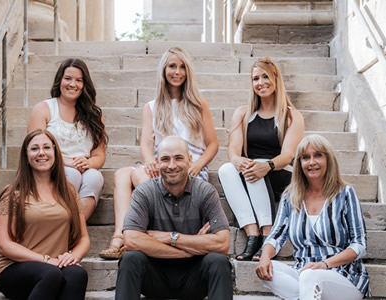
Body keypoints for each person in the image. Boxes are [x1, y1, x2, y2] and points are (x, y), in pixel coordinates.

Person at [99, 46, 218, 259]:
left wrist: (198, 164)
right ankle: (119, 235)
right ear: (164, 70)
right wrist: (149, 161)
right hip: (161, 168)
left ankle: (143, 233)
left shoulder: (198, 104)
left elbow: (212, 144)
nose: (177, 72)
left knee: (134, 175)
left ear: (188, 71)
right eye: (172, 66)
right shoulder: (152, 107)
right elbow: (146, 143)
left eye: (182, 67)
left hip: (189, 170)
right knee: (121, 174)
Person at [115, 135, 232, 300]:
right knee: (130, 258)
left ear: (189, 160)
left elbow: (222, 243)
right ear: (157, 162)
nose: (171, 165)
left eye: (178, 158)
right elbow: (132, 240)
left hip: (195, 279)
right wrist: (189, 251)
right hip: (155, 278)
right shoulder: (145, 192)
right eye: (165, 159)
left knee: (218, 261)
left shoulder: (205, 192)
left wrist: (171, 238)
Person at [256, 134, 371, 300]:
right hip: (303, 272)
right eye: (305, 157)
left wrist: (324, 264)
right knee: (269, 269)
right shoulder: (290, 197)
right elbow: (276, 236)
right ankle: (309, 294)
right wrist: (265, 258)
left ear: (328, 160)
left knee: (311, 276)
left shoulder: (345, 194)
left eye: (318, 155)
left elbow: (359, 245)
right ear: (299, 164)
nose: (312, 162)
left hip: (344, 276)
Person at [218, 57, 304, 261]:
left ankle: (268, 234)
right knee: (226, 169)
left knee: (255, 167)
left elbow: (288, 155)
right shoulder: (242, 113)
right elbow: (233, 148)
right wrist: (236, 159)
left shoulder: (291, 116)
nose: (260, 82)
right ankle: (252, 234)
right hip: (252, 174)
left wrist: (268, 165)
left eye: (265, 76)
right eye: (255, 78)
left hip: (279, 173)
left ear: (276, 79)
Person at [0, 129, 90, 300]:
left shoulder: (69, 191)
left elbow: (83, 238)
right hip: (15, 269)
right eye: (34, 148)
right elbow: (4, 244)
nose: (41, 153)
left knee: (77, 274)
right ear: (26, 156)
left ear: (55, 152)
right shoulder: (12, 193)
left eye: (47, 147)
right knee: (51, 274)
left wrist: (72, 256)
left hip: (55, 266)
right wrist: (45, 260)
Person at [27, 58, 108, 220]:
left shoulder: (95, 115)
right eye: (68, 79)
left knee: (95, 176)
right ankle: (59, 225)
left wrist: (88, 163)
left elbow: (99, 155)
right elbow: (34, 149)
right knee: (73, 174)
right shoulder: (44, 108)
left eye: (79, 80)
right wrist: (68, 162)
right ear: (60, 80)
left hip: (82, 169)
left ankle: (74, 228)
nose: (73, 84)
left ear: (85, 85)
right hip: (50, 167)